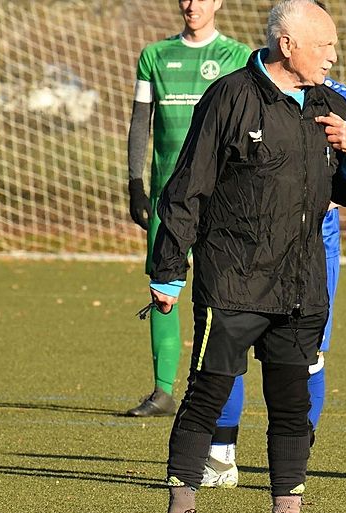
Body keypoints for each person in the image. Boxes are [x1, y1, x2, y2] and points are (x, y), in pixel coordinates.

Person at [148, 1, 346, 513]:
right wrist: (168, 270)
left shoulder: (327, 104)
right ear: (286, 45)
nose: (333, 57)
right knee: (207, 396)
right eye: (325, 46)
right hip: (234, 281)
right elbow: (186, 188)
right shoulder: (230, 97)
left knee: (291, 408)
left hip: (301, 287)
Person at [200, 76, 346, 488]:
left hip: (313, 249)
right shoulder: (245, 90)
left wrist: (340, 193)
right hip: (247, 248)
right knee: (229, 347)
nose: (328, 54)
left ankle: (297, 456)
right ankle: (220, 456)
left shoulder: (337, 97)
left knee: (305, 355)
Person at [126, 0, 252, 417]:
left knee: (225, 291)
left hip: (222, 199)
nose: (192, 4)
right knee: (164, 287)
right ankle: (162, 391)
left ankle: (219, 389)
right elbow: (140, 124)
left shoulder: (238, 57)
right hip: (168, 196)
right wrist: (134, 184)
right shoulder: (155, 56)